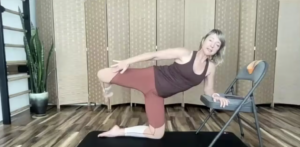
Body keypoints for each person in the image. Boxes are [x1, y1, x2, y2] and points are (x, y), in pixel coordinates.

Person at [96, 29, 229, 139]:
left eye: (217, 44)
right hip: (150, 78)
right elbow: (154, 55)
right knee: (102, 74)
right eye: (211, 40)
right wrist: (127, 62)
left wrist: (216, 96)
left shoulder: (210, 67)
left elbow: (208, 89)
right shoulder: (184, 53)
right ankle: (107, 87)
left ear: (218, 50)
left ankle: (118, 131)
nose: (212, 45)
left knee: (157, 134)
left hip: (157, 95)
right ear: (203, 40)